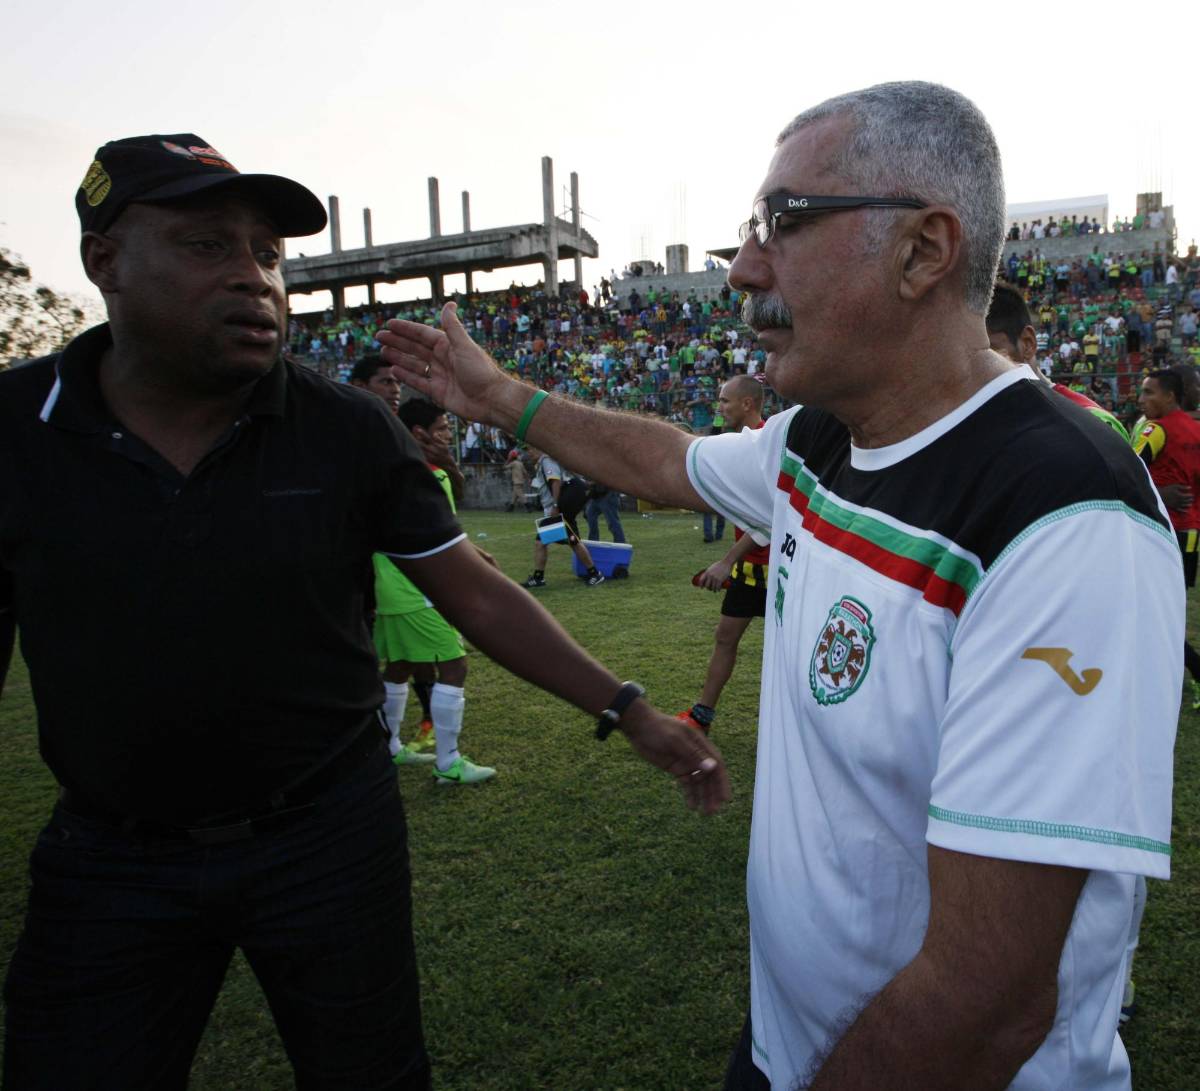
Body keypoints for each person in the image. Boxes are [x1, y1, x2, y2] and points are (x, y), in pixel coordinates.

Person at [379, 82, 1181, 1090]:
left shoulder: (1063, 513)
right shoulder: (815, 441)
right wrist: (503, 396)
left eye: (785, 223)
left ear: (925, 252)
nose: (747, 267)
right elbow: (667, 461)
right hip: (788, 1047)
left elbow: (988, 998)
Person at [0, 133, 728, 1091]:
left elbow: (471, 587)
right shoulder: (20, 428)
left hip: (325, 839)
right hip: (111, 853)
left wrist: (626, 707)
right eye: (206, 246)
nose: (256, 279)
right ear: (105, 261)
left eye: (267, 252)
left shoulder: (344, 426)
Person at [678, 377, 770, 735]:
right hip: (749, 570)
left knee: (790, 651)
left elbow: (769, 516)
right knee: (725, 638)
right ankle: (702, 716)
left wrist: (727, 560)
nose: (719, 407)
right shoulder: (737, 444)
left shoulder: (767, 444)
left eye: (725, 401)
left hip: (779, 570)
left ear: (748, 404)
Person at [1132, 369, 1200, 710]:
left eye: (1148, 393)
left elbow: (1127, 474)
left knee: (1153, 609)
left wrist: (1161, 492)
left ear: (1170, 396)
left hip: (1160, 531)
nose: (1141, 400)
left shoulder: (1153, 429)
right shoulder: (1196, 430)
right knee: (1169, 609)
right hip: (1190, 537)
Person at [985, 281, 1129, 439]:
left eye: (990, 352)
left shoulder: (1095, 425)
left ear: (1027, 344)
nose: (976, 368)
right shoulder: (983, 426)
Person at [522, 448, 606, 588]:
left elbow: (556, 482)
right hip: (563, 507)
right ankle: (593, 573)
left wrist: (555, 505)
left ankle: (595, 574)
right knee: (570, 541)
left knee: (545, 542)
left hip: (559, 508)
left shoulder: (546, 460)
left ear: (538, 448)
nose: (528, 453)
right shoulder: (545, 461)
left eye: (530, 449)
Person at [504, 446, 530, 511]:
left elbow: (505, 467)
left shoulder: (513, 463)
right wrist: (528, 479)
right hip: (521, 481)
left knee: (521, 495)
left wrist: (508, 460)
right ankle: (511, 507)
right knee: (514, 495)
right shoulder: (520, 463)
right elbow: (525, 472)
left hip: (516, 481)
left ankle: (528, 506)